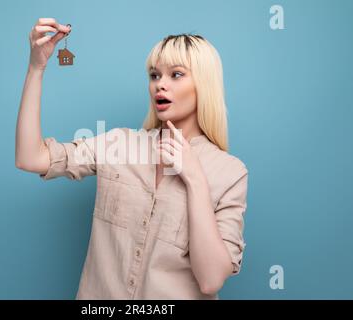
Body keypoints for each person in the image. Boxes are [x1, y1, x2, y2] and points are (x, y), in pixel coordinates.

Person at [16, 17, 249, 300]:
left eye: (176, 74)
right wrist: (36, 68)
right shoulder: (118, 143)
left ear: (204, 84)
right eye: (154, 75)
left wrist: (195, 179)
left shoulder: (230, 172)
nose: (160, 85)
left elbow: (211, 281)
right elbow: (31, 158)